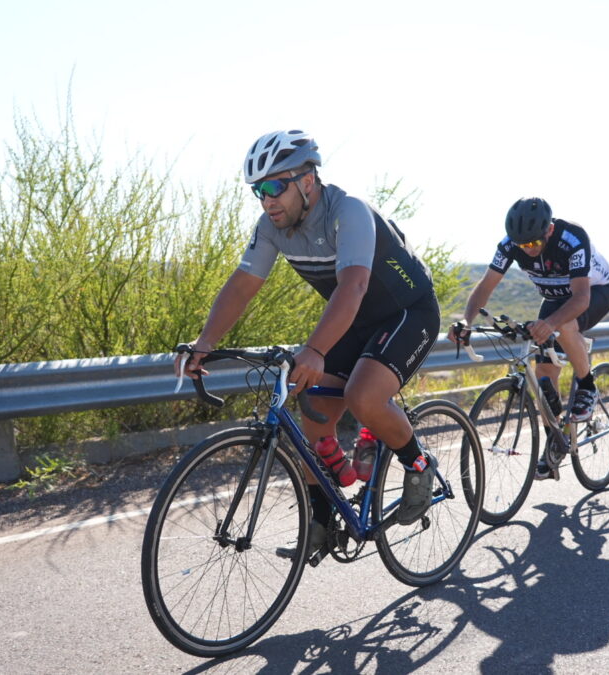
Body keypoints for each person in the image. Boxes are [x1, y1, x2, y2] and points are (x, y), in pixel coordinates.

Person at [175, 129, 441, 557]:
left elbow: (353, 286)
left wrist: (315, 349)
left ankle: (419, 463)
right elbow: (242, 285)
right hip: (354, 321)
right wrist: (204, 342)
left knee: (362, 396)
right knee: (310, 402)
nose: (266, 200)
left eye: (274, 186)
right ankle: (322, 519)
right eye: (258, 191)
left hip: (407, 312)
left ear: (307, 181)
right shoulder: (272, 228)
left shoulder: (348, 211)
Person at [450, 197, 609, 479]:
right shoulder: (510, 244)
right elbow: (486, 286)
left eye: (532, 244)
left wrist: (551, 323)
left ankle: (587, 385)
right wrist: (467, 320)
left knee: (563, 328)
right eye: (521, 245)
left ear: (549, 230)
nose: (527, 250)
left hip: (592, 294)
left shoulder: (572, 239)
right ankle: (554, 443)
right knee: (543, 374)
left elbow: (581, 298)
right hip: (553, 297)